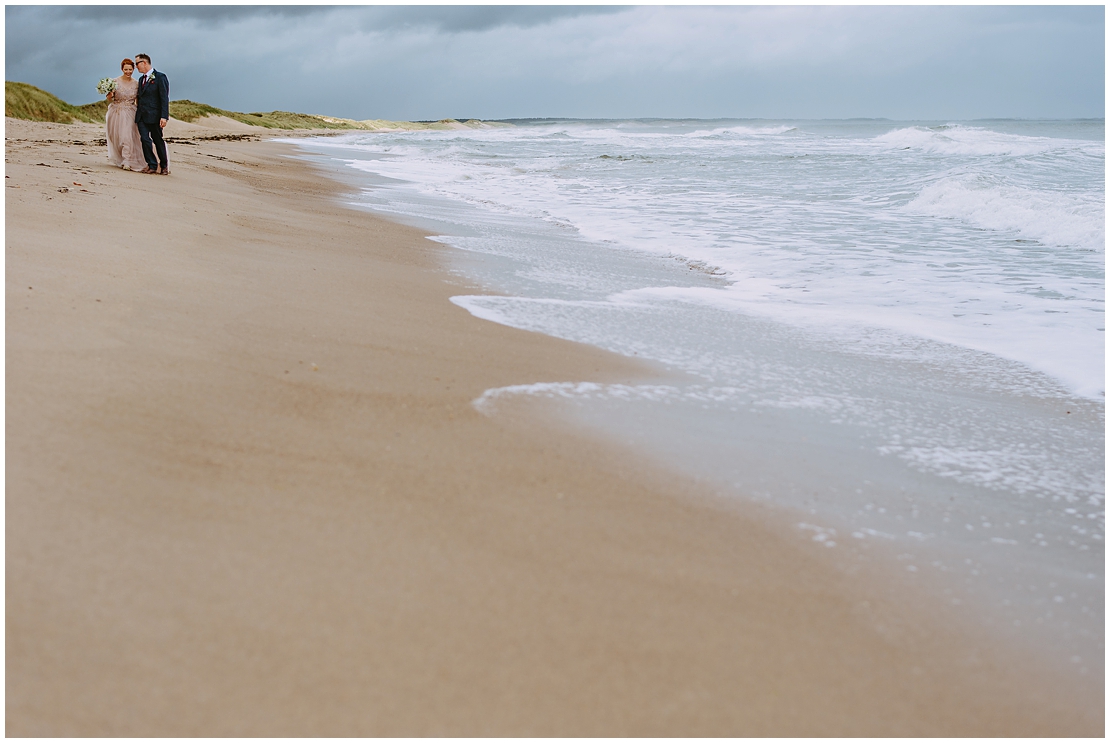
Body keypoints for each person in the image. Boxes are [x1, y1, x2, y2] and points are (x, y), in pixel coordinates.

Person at [103, 58, 148, 171]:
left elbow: (138, 100)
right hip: (116, 112)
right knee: (117, 137)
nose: (128, 72)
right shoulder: (115, 82)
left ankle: (127, 160)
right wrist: (110, 94)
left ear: (133, 69)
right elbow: (109, 99)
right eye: (126, 69)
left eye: (130, 69)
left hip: (130, 112)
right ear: (122, 69)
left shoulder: (136, 84)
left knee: (127, 136)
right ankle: (121, 158)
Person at [133, 53, 170, 175]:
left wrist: (164, 116)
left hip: (155, 116)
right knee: (144, 139)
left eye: (136, 63)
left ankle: (164, 165)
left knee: (158, 140)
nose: (135, 67)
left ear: (144, 63)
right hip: (142, 116)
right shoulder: (140, 79)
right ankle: (152, 165)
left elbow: (164, 98)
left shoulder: (160, 77)